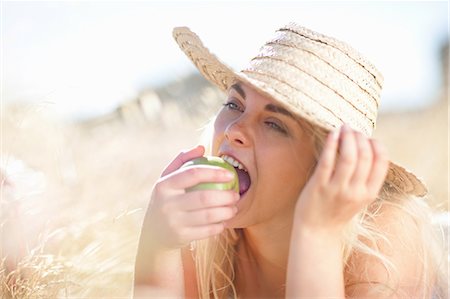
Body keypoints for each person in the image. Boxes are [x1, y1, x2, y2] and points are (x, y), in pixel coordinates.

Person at [134, 23, 447, 298]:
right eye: (234, 103)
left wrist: (316, 233)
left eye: (275, 124)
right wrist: (157, 244)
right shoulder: (202, 238)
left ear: (326, 165)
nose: (234, 129)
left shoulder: (387, 235)